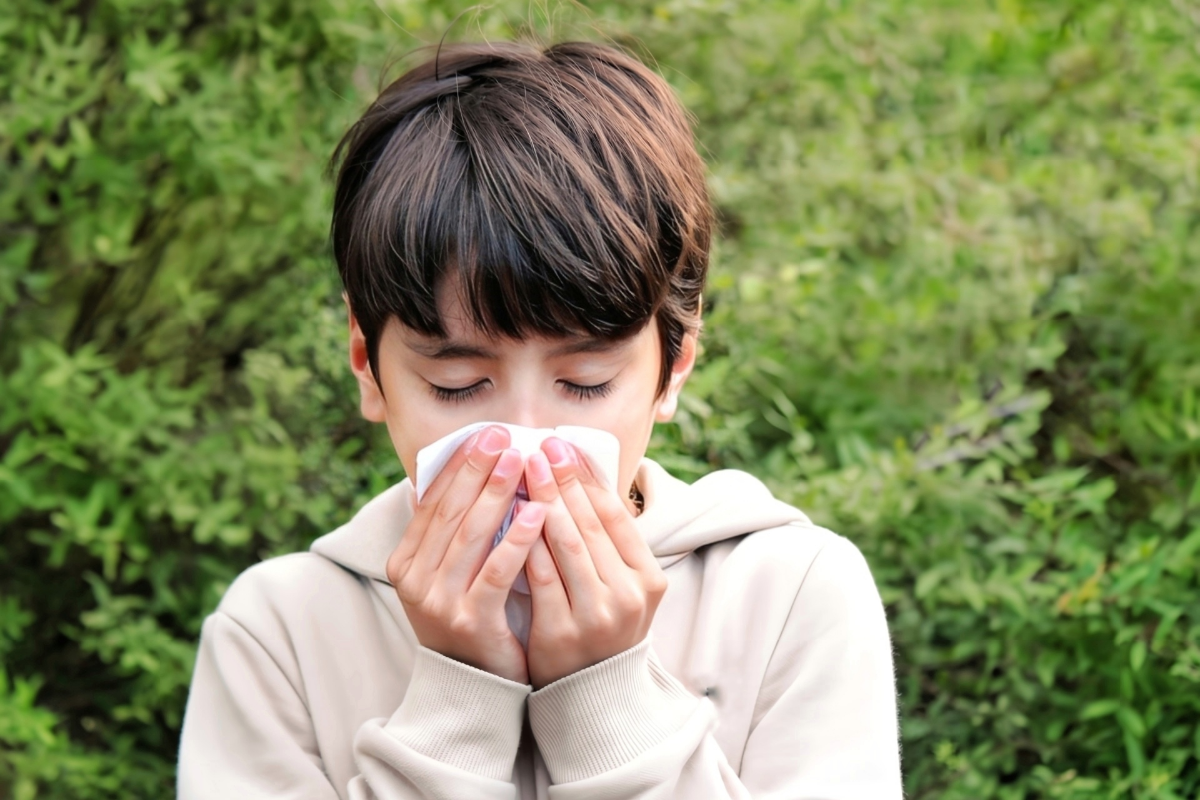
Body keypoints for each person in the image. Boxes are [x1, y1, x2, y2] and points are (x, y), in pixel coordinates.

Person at [177, 39, 901, 799]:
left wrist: (606, 699)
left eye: (585, 382)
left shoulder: (790, 596)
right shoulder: (280, 634)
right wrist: (457, 703)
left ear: (675, 363)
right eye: (458, 384)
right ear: (368, 365)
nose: (524, 442)